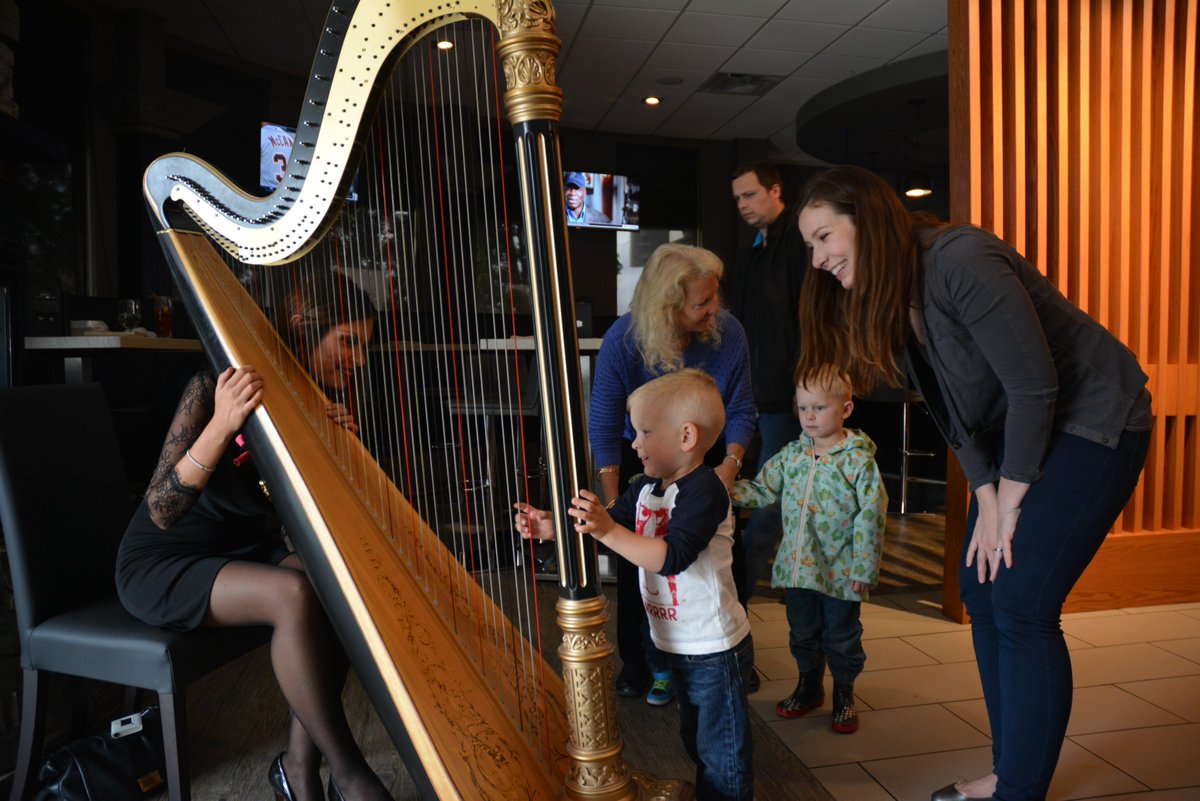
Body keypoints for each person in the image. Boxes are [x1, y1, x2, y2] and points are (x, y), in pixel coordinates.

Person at [794, 165, 1153, 801]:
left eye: (824, 237)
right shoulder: (890, 296)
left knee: (1020, 599)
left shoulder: (960, 259)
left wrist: (1009, 503)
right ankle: (1007, 771)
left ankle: (1018, 789)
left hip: (1098, 419)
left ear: (869, 221)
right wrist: (986, 498)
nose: (817, 259)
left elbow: (1033, 386)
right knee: (980, 583)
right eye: (811, 246)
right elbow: (952, 413)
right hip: (1026, 430)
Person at [115, 271, 393, 801]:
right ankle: (351, 773)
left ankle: (298, 769)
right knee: (294, 593)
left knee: (328, 580)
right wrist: (222, 426)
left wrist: (334, 456)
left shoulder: (311, 402)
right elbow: (162, 510)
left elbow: (301, 535)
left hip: (240, 555)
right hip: (165, 563)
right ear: (304, 329)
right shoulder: (211, 387)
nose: (359, 360)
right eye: (349, 341)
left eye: (365, 346)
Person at [517, 369, 754, 801]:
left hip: (713, 648)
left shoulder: (706, 491)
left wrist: (606, 531)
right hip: (675, 642)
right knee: (695, 742)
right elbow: (610, 524)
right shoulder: (645, 488)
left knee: (723, 756)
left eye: (644, 431)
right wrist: (552, 526)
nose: (634, 443)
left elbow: (671, 558)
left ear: (686, 436)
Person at [589, 243, 756, 705]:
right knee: (636, 555)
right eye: (702, 302)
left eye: (714, 297)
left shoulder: (728, 333)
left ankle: (730, 654)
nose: (714, 309)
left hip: (708, 450)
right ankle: (640, 661)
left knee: (721, 556)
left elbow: (742, 408)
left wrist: (727, 468)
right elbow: (605, 424)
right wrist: (616, 506)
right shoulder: (624, 339)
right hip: (644, 450)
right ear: (668, 306)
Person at [731, 364, 886, 735]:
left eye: (819, 408)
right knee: (802, 632)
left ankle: (844, 694)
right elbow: (762, 490)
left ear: (845, 409)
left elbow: (872, 514)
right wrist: (721, 488)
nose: (810, 417)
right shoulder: (791, 456)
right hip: (800, 568)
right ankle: (809, 686)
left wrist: (864, 568)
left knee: (842, 636)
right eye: (803, 408)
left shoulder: (858, 460)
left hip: (842, 573)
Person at [726, 162, 808, 609]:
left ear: (776, 191)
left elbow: (807, 319)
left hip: (785, 397)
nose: (742, 205)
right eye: (737, 198)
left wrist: (805, 381)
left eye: (750, 195)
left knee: (774, 497)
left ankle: (739, 595)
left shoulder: (798, 243)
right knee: (737, 490)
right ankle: (734, 587)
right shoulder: (752, 251)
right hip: (746, 397)